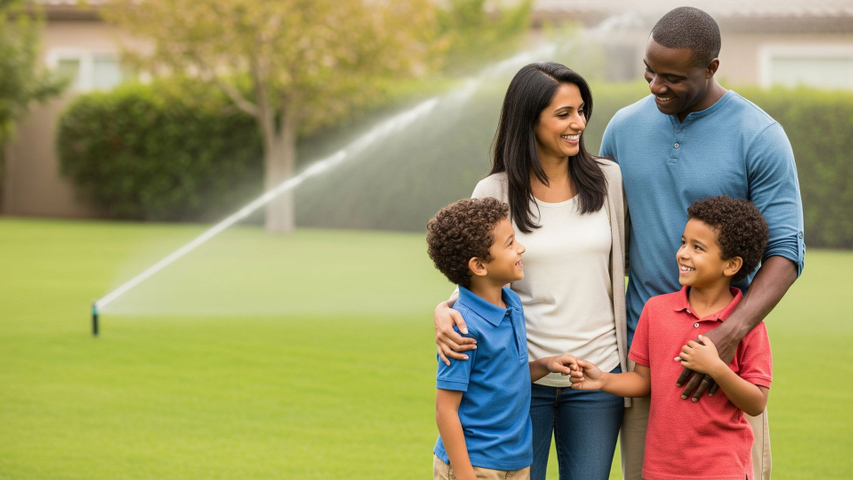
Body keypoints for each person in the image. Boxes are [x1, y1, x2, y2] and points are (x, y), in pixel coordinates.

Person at [599, 7, 804, 479]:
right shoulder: (623, 128)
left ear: (711, 68)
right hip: (641, 359)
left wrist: (730, 334)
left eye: (672, 77)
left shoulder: (760, 136)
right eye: (649, 72)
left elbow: (786, 253)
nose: (655, 87)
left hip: (721, 365)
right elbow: (592, 235)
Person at [433, 63, 629, 479]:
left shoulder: (609, 180)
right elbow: (474, 276)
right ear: (529, 120)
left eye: (581, 110)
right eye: (563, 114)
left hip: (597, 376)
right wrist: (443, 309)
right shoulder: (495, 192)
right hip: (521, 382)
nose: (578, 123)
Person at [570, 196, 773, 480]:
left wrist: (716, 367)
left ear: (731, 265)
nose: (682, 254)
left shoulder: (747, 325)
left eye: (698, 248)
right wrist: (603, 380)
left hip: (723, 470)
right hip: (661, 470)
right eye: (683, 242)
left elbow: (756, 402)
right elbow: (644, 381)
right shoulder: (656, 310)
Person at [426, 197, 582, 480]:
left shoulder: (512, 303)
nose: (521, 248)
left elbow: (507, 375)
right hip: (474, 465)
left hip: (516, 463)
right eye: (510, 244)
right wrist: (464, 475)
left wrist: (546, 364)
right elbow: (445, 409)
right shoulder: (462, 327)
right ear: (479, 266)